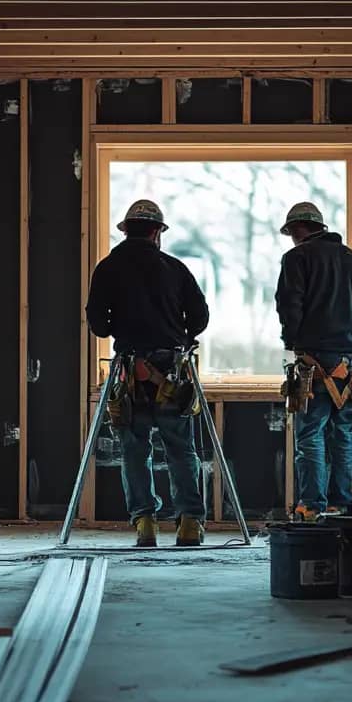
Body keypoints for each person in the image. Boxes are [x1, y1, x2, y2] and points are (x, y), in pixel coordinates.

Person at [86, 199, 210, 548]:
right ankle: (189, 524)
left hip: (130, 375)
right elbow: (199, 317)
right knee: (181, 449)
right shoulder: (174, 268)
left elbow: (96, 323)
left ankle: (145, 524)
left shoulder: (108, 268)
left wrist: (121, 330)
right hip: (171, 371)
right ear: (157, 231)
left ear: (125, 230)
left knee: (134, 449)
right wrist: (181, 337)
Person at [274, 201, 352, 519]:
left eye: (291, 232)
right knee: (344, 433)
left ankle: (312, 505)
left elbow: (289, 305)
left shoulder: (296, 258)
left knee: (309, 434)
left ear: (296, 229)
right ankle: (340, 501)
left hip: (313, 361)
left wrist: (293, 341)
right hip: (348, 363)